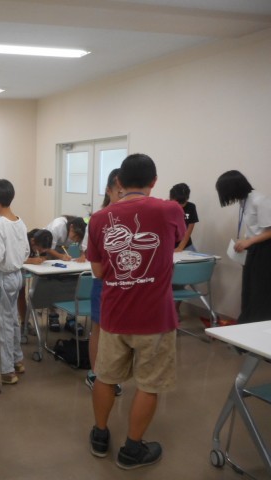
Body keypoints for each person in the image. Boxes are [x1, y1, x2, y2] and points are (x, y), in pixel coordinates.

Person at [87, 154, 185, 469]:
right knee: (149, 383)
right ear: (154, 181)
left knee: (105, 377)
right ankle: (132, 450)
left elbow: (98, 272)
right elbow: (176, 242)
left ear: (118, 182)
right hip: (155, 317)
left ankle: (100, 436)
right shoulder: (170, 210)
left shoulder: (99, 219)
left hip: (114, 316)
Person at [82, 169, 123, 396]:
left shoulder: (130, 217)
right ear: (109, 191)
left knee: (118, 332)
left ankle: (113, 374)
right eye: (119, 192)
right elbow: (94, 265)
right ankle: (95, 373)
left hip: (125, 283)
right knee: (99, 328)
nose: (123, 197)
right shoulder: (98, 219)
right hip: (104, 283)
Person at [0, 179, 29, 385]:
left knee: (0, 323)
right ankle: (16, 359)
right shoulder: (19, 221)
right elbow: (26, 251)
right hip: (17, 275)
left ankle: (4, 370)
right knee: (12, 319)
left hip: (2, 277)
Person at [216, 170, 271, 324]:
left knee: (260, 292)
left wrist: (249, 242)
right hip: (253, 249)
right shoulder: (244, 201)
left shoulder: (260, 200)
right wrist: (245, 242)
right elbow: (254, 228)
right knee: (248, 290)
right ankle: (245, 326)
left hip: (265, 251)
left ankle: (257, 328)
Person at [169, 183, 199, 252]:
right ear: (171, 198)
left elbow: (189, 230)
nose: (180, 206)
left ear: (187, 199)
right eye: (177, 203)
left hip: (185, 245)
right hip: (169, 245)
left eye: (183, 202)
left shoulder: (191, 207)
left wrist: (180, 247)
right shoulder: (165, 207)